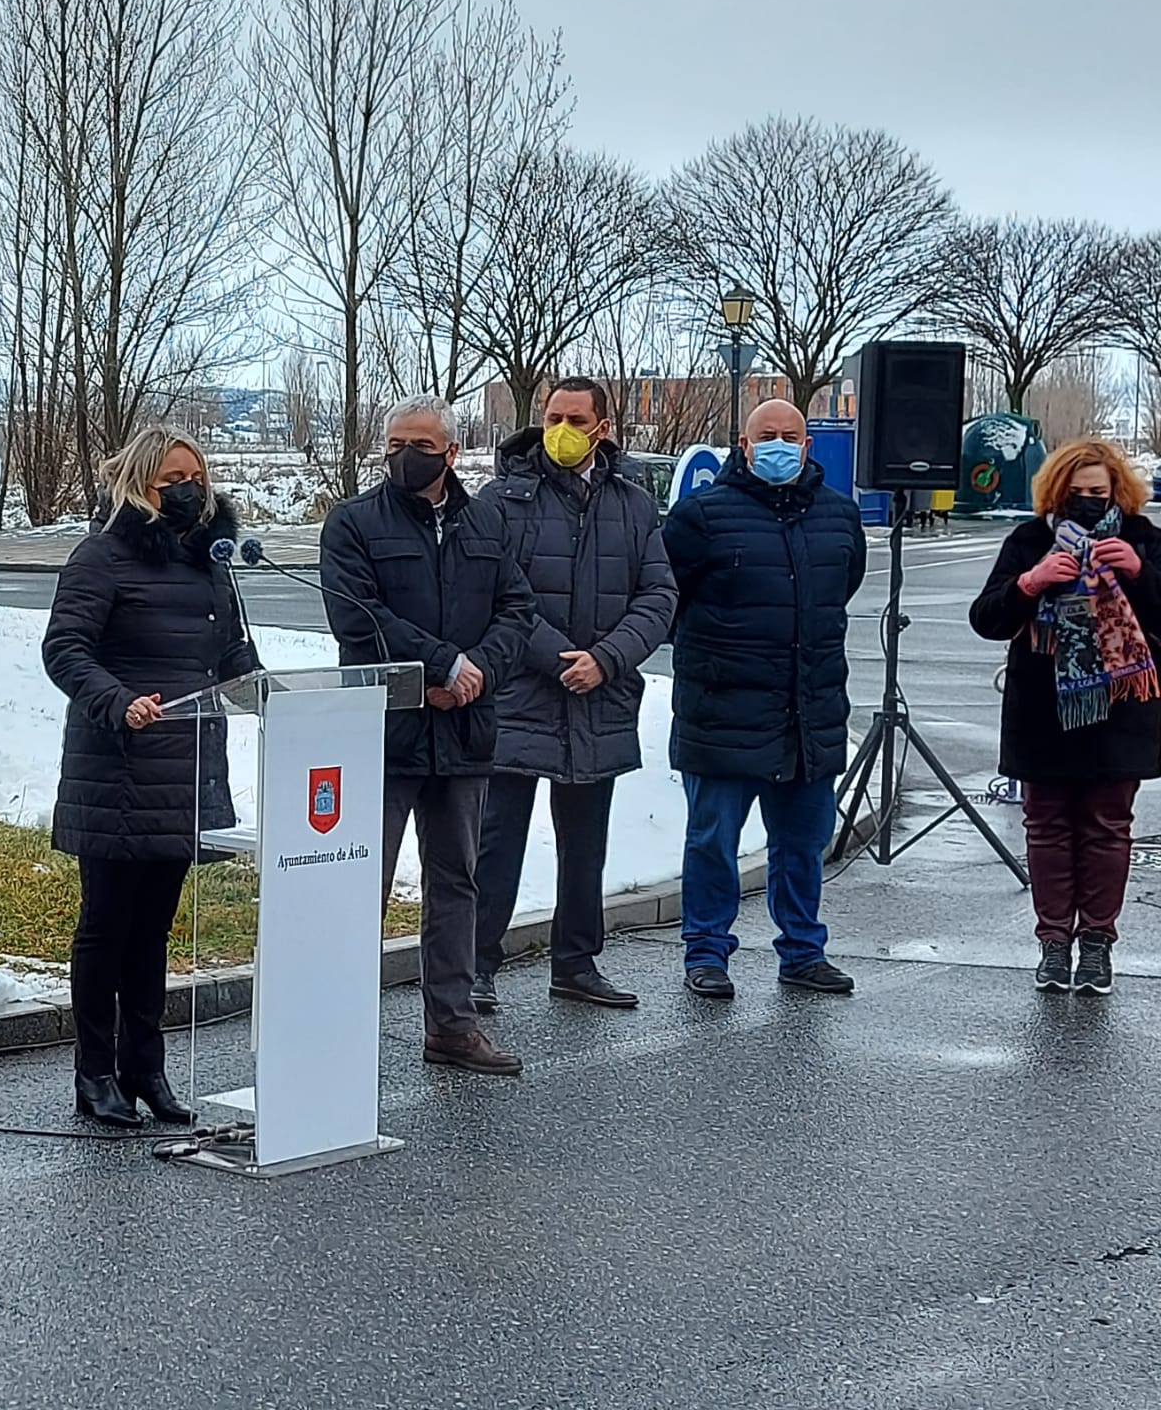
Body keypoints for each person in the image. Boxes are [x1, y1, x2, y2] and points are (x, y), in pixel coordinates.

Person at [42, 427, 258, 1128]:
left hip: (186, 768)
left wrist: (276, 693)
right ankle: (95, 1073)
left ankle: (148, 1068)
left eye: (197, 474)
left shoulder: (211, 566)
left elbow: (231, 660)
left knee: (155, 931)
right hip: (118, 766)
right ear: (139, 484)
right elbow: (65, 649)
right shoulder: (100, 558)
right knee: (106, 927)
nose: (190, 488)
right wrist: (115, 700)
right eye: (173, 478)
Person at [320, 394, 536, 1074]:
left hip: (464, 732)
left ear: (450, 451)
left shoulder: (487, 524)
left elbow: (518, 610)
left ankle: (452, 1026)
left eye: (418, 444)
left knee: (456, 885)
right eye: (392, 444)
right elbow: (359, 620)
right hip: (384, 732)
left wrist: (477, 671)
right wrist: (441, 665)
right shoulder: (352, 523)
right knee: (362, 887)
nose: (402, 456)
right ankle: (340, 1029)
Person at [473, 379, 676, 1010]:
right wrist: (562, 658)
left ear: (603, 428)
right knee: (496, 839)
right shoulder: (501, 500)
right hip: (519, 695)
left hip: (601, 698)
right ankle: (475, 966)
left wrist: (607, 660)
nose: (560, 427)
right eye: (553, 415)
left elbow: (659, 595)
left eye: (575, 418)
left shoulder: (634, 504)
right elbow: (494, 594)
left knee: (586, 842)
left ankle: (577, 964)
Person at [662, 399, 866, 1000]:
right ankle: (706, 953)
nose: (778, 445)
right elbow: (666, 600)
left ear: (806, 446)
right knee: (712, 843)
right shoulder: (700, 516)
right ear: (744, 446)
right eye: (765, 436)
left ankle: (803, 951)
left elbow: (840, 590)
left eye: (790, 436)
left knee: (802, 845)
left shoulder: (839, 517)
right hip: (723, 716)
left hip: (809, 713)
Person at [968, 438, 1161, 996]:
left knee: (1107, 828)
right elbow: (987, 618)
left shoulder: (1144, 538)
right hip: (1043, 711)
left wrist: (1142, 572)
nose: (1086, 503)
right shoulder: (1029, 540)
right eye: (1076, 495)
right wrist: (1030, 583)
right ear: (1057, 492)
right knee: (1047, 828)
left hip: (1121, 712)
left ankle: (1097, 945)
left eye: (1097, 494)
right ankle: (1053, 945)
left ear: (1117, 491)